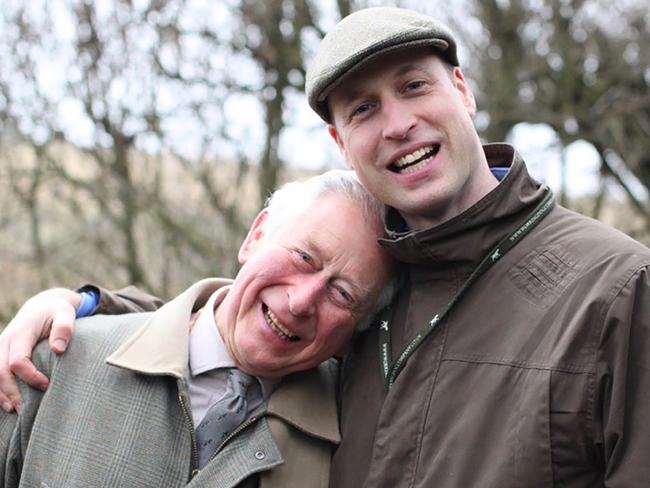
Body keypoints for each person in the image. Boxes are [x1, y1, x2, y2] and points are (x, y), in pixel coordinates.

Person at [2, 6, 650, 487]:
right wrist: (84, 309)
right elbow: (232, 339)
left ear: (463, 89)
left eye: (414, 86)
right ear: (341, 144)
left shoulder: (619, 289)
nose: (398, 123)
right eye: (363, 109)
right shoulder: (373, 310)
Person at [0, 169, 395, 487]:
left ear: (357, 328)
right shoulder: (54, 364)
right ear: (256, 236)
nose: (301, 301)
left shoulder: (354, 444)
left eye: (342, 294)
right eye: (304, 256)